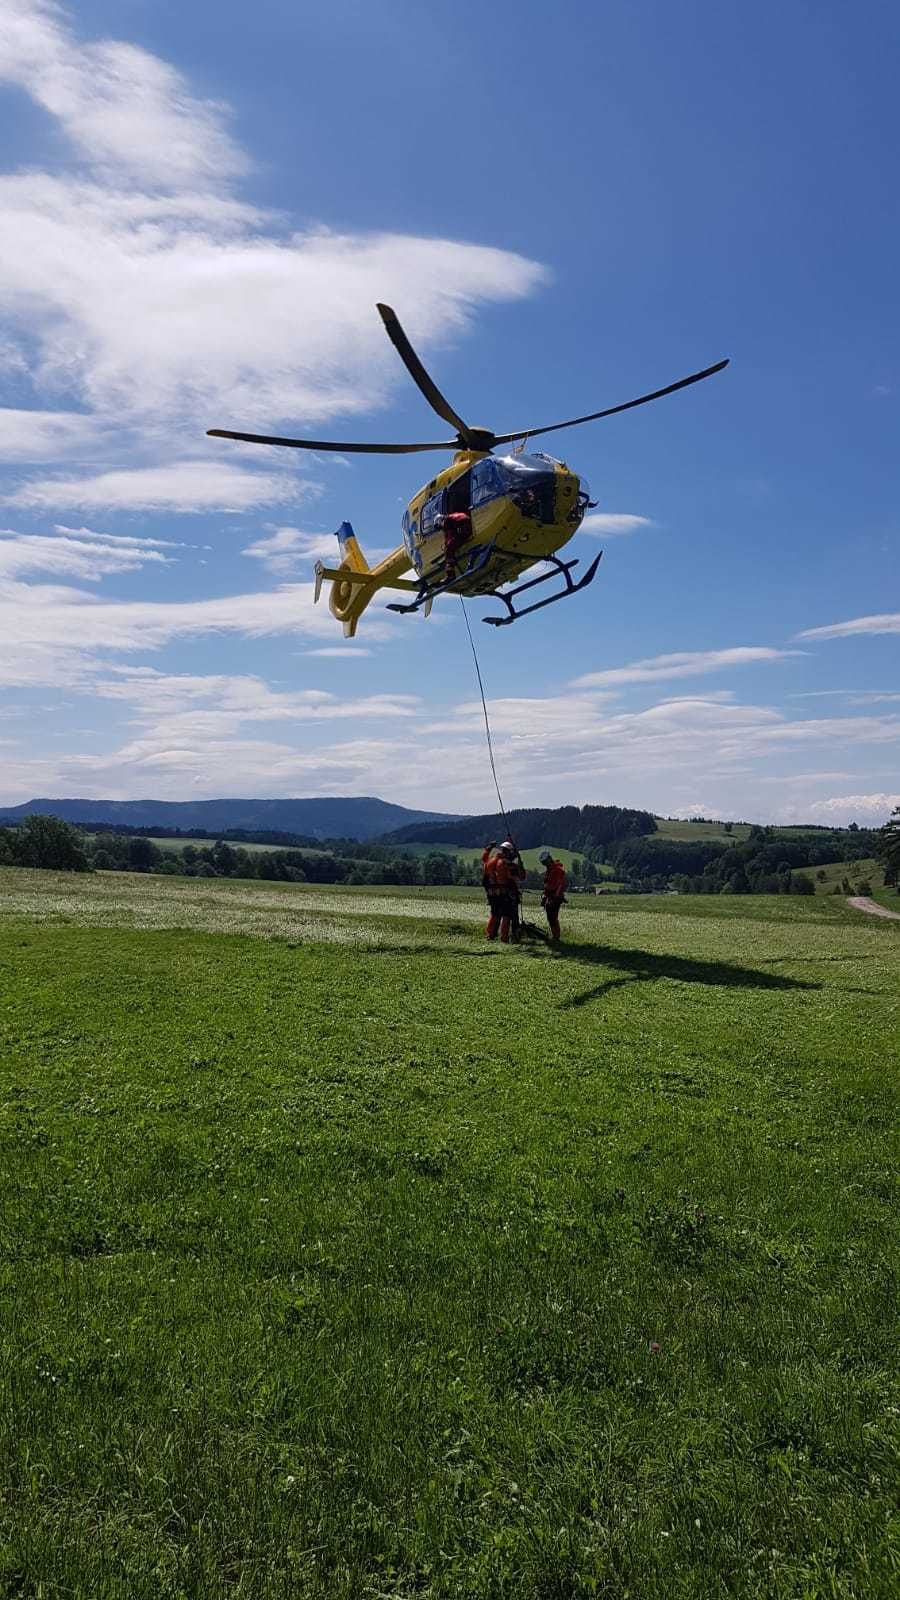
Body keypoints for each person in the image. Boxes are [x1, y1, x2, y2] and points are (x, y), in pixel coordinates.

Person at [486, 841, 525, 943]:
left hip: (495, 894)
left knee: (495, 915)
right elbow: (520, 877)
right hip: (506, 894)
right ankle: (504, 938)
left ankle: (490, 934)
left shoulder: (495, 862)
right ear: (509, 852)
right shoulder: (506, 864)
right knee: (506, 916)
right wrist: (520, 863)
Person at [539, 850, 568, 941]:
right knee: (551, 917)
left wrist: (555, 897)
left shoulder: (557, 869)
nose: (544, 864)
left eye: (545, 862)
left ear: (549, 860)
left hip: (555, 897)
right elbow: (548, 885)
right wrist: (545, 896)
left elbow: (560, 884)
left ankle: (556, 937)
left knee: (553, 917)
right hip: (550, 896)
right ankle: (555, 936)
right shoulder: (550, 869)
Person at [436, 509, 472, 577]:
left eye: (440, 527)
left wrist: (446, 549)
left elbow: (448, 537)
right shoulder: (452, 516)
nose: (441, 528)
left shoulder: (446, 522)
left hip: (464, 531)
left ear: (440, 521)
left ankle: (450, 574)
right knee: (452, 545)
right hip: (469, 527)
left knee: (449, 550)